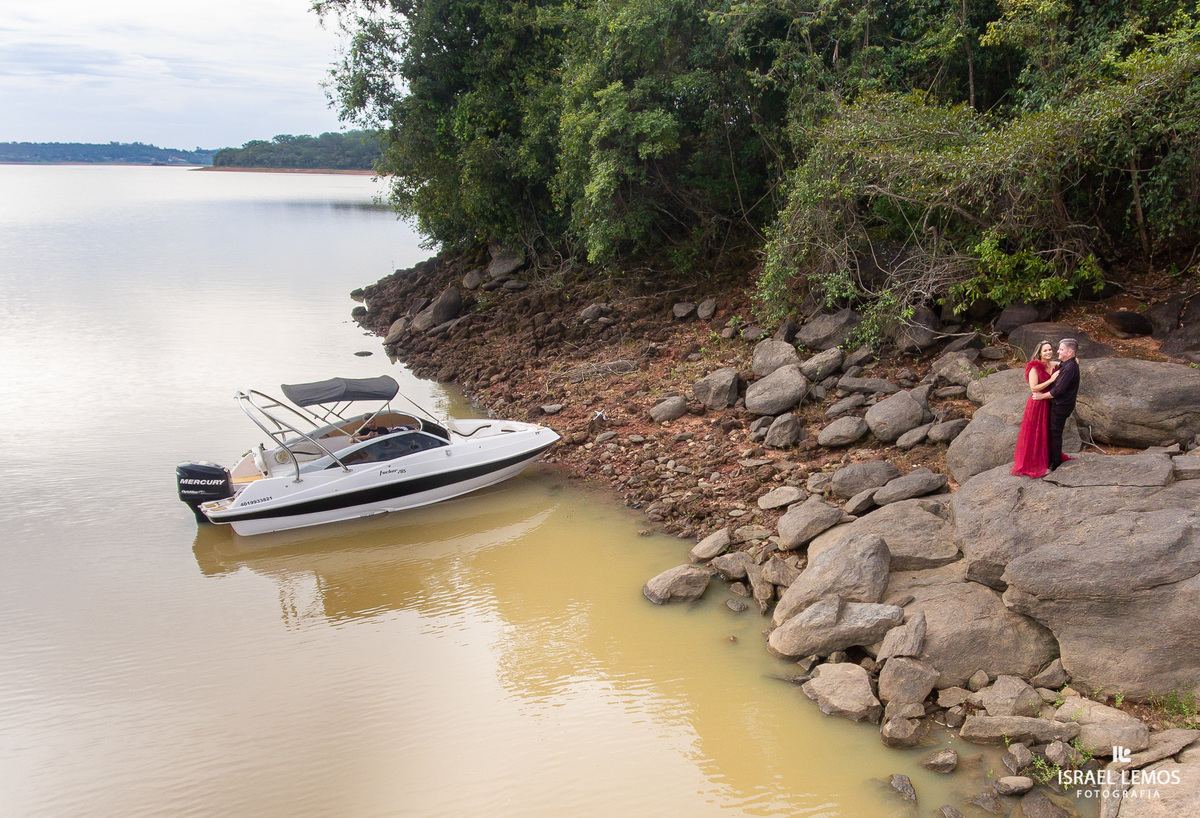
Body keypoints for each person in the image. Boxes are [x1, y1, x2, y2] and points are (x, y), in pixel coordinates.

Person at [1012, 340, 1059, 478]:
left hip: (1048, 402)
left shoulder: (1052, 364)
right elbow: (1033, 388)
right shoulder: (1034, 368)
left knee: (1046, 433)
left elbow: (1065, 362)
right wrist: (1051, 380)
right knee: (1036, 434)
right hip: (1037, 403)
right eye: (1045, 350)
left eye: (1050, 349)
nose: (1048, 352)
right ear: (1039, 353)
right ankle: (1035, 465)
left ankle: (1045, 462)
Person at [1033, 338, 1080, 470]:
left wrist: (1042, 396)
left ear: (1070, 352)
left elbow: (1058, 391)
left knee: (1055, 434)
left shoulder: (1070, 368)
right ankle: (1050, 460)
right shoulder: (1066, 364)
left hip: (1061, 406)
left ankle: (1054, 464)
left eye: (1061, 349)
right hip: (1058, 404)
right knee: (1051, 433)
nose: (1057, 351)